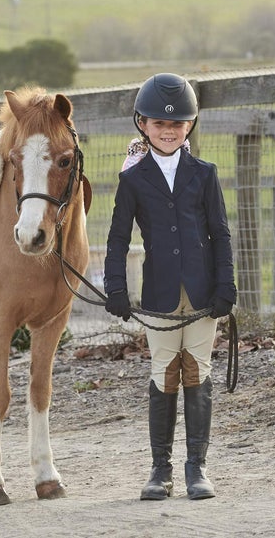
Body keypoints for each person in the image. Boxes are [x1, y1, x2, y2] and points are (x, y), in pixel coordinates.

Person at [103, 73, 236, 501]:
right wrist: (116, 287)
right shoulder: (133, 179)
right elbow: (118, 237)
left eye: (177, 124)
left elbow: (221, 232)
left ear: (189, 126)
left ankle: (197, 467)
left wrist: (226, 283)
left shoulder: (204, 173)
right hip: (159, 293)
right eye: (160, 125)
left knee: (198, 370)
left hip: (202, 291)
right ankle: (160, 470)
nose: (168, 131)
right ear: (143, 124)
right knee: (163, 372)